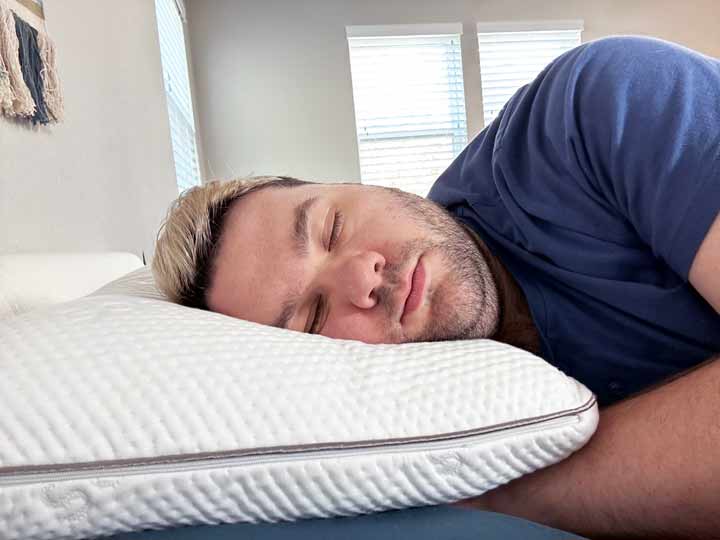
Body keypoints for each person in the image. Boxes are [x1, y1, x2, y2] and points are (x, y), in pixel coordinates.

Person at [152, 36, 720, 539]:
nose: (360, 278)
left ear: (362, 183)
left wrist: (512, 497)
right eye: (312, 315)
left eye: (332, 228)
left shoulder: (596, 107)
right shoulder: (421, 420)